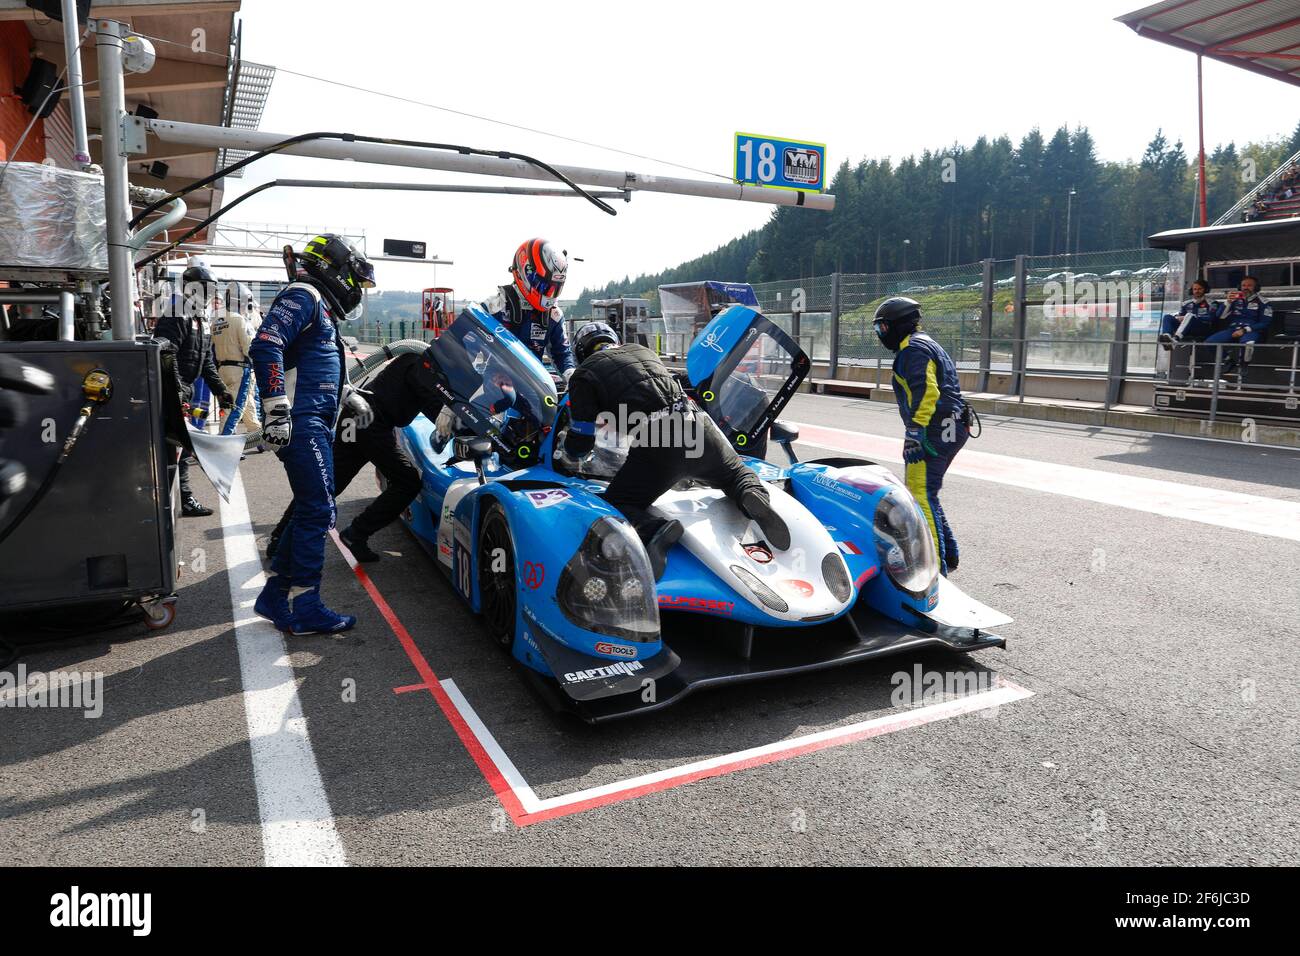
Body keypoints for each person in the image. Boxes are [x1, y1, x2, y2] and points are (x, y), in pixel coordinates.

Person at [563, 321, 788, 580]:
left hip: (658, 441)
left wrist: (570, 454)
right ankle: (751, 495)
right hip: (698, 423)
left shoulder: (584, 374)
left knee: (618, 503)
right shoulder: (641, 351)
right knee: (736, 474)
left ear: (581, 353)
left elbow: (581, 438)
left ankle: (655, 530)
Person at [249, 234, 376, 635]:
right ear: (336, 270)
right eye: (353, 279)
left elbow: (311, 364)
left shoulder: (316, 303)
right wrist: (275, 410)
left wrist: (347, 395)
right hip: (302, 424)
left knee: (311, 510)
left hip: (312, 421)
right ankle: (305, 606)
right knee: (320, 512)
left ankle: (276, 596)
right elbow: (265, 346)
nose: (355, 289)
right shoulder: (304, 294)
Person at [266, 343, 449, 564]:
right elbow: (436, 410)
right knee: (407, 481)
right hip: (370, 421)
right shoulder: (426, 367)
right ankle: (356, 533)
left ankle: (279, 537)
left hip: (355, 416)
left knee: (327, 484)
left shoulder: (419, 359)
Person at [873, 297, 969, 575]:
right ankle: (948, 554)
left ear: (897, 326)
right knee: (929, 494)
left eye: (882, 329)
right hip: (953, 426)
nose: (881, 336)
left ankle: (934, 569)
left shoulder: (912, 350)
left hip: (933, 431)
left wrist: (915, 431)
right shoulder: (924, 343)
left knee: (919, 495)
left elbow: (928, 392)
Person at [153, 262, 234, 517]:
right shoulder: (177, 311)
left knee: (180, 447)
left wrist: (220, 390)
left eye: (212, 290)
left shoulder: (198, 316)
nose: (210, 295)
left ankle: (175, 499)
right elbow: (167, 352)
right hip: (172, 390)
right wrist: (177, 390)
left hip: (182, 389)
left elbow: (206, 359)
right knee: (176, 447)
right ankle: (177, 499)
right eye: (206, 289)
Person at [483, 238, 575, 380]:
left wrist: (571, 376)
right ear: (526, 273)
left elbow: (562, 353)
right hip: (495, 385)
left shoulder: (554, 315)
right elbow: (466, 341)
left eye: (554, 288)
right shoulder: (495, 306)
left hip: (532, 388)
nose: (549, 294)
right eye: (544, 286)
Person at [212, 281, 262, 437]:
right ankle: (224, 442)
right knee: (235, 407)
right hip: (240, 370)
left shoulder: (217, 320)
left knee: (247, 404)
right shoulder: (241, 320)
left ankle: (257, 436)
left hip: (222, 369)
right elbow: (250, 349)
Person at [1205, 276, 1274, 375]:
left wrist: (1245, 330)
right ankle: (1228, 361)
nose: (1246, 288)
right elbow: (1220, 316)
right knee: (1209, 342)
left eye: (1249, 285)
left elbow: (1265, 322)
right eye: (1243, 285)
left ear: (1256, 287)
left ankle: (1244, 364)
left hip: (1252, 331)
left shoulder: (1264, 302)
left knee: (1248, 343)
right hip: (1233, 329)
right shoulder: (1235, 299)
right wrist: (1228, 302)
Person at [1158, 280, 1222, 349]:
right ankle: (1167, 337)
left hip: (1204, 328)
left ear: (1205, 289)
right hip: (1187, 329)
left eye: (1200, 289)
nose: (1197, 291)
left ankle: (1176, 340)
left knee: (1189, 315)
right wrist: (1179, 318)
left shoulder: (1212, 303)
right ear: (1192, 290)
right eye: (1195, 289)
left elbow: (1211, 318)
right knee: (1167, 317)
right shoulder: (1186, 303)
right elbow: (1181, 316)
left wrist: (1193, 317)